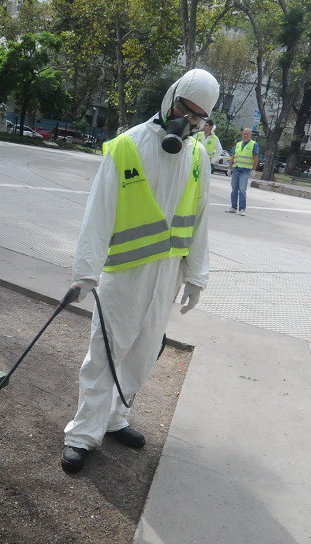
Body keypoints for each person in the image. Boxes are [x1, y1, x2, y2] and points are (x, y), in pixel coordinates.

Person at [61, 68, 219, 474]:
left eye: (200, 119)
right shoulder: (129, 146)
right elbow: (98, 213)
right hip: (124, 273)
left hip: (167, 275)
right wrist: (85, 272)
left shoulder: (198, 157)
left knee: (144, 352)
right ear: (172, 99)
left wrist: (197, 274)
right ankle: (82, 434)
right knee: (106, 352)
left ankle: (114, 419)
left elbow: (200, 219)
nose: (190, 123)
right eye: (187, 111)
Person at [228, 128, 258, 215]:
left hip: (245, 170)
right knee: (234, 189)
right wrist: (229, 168)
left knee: (242, 189)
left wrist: (253, 170)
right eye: (244, 134)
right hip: (236, 169)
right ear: (242, 135)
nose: (245, 136)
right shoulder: (238, 144)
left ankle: (242, 209)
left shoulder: (253, 144)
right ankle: (233, 207)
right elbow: (233, 156)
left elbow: (256, 157)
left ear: (250, 135)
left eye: (247, 134)